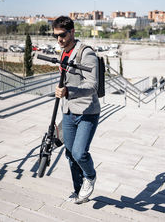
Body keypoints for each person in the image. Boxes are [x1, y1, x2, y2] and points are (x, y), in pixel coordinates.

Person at [52, 16, 100, 204]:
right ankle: (78, 190)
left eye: (62, 35)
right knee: (70, 153)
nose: (59, 40)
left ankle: (90, 176)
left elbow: (92, 84)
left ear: (72, 32)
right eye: (55, 36)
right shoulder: (63, 53)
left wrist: (69, 91)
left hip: (87, 111)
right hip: (69, 111)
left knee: (80, 153)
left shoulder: (86, 53)